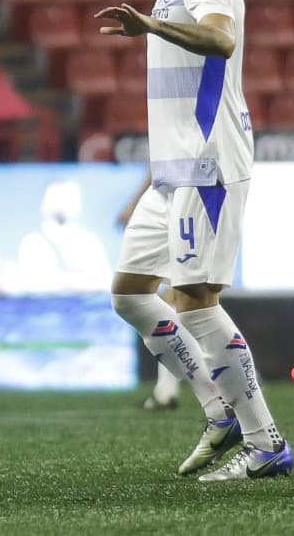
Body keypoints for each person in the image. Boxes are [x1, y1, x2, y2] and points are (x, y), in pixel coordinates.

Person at [97, 0, 293, 481]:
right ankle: (218, 408)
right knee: (131, 293)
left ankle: (266, 444)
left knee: (193, 301)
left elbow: (222, 38)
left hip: (208, 166)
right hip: (172, 174)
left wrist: (152, 28)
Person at [117, 172, 182, 411]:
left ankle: (240, 382)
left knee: (193, 304)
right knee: (186, 304)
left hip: (189, 209)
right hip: (194, 206)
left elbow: (159, 163)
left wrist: (133, 205)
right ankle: (166, 390)